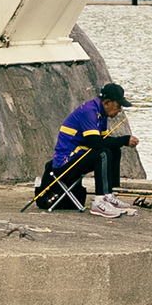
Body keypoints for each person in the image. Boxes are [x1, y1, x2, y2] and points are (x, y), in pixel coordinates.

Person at [47, 82, 137, 218]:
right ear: (107, 103)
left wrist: (121, 142)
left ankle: (109, 195)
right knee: (103, 153)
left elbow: (103, 139)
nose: (119, 110)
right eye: (118, 106)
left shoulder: (102, 114)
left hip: (80, 157)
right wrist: (124, 140)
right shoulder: (89, 111)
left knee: (114, 150)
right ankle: (99, 202)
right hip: (65, 163)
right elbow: (95, 143)